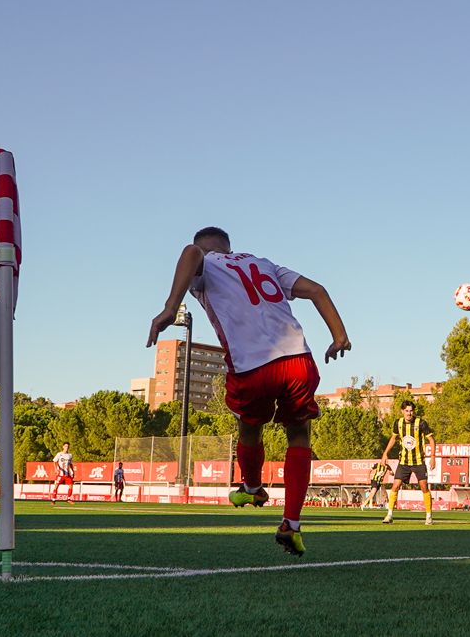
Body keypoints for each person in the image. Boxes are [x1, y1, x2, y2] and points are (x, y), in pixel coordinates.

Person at [147, 226, 350, 556]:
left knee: (249, 426)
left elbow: (190, 253)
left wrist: (171, 306)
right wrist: (339, 335)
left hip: (251, 365)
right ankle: (292, 524)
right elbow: (317, 290)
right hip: (298, 359)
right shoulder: (264, 263)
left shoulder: (205, 262)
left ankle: (253, 487)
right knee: (299, 436)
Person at [379, 400, 436, 525]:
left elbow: (431, 439)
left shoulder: (421, 423)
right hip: (404, 461)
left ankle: (428, 516)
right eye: (406, 411)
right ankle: (389, 515)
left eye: (411, 411)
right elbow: (393, 439)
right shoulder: (398, 423)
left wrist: (432, 456)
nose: (409, 414)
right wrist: (385, 453)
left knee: (424, 487)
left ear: (413, 412)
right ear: (402, 411)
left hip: (418, 461)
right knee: (395, 486)